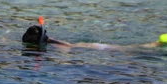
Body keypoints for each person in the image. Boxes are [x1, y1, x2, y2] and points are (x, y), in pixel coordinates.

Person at [22, 24, 158, 50]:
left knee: (129, 49)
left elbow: (68, 47)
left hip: (96, 48)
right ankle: (154, 45)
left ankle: (156, 45)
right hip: (92, 47)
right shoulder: (50, 42)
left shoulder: (52, 43)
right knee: (129, 48)